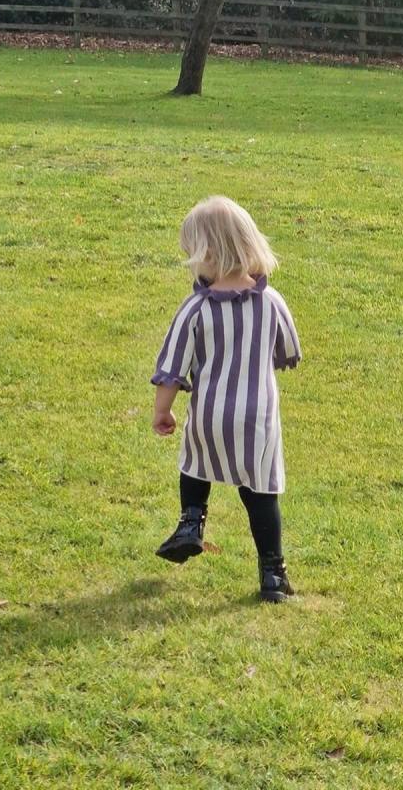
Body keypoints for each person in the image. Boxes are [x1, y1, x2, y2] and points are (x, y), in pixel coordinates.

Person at [150, 196, 302, 602]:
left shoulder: (196, 308)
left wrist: (162, 409)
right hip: (259, 420)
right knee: (261, 492)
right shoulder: (272, 303)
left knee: (194, 463)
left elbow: (172, 366)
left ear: (209, 254)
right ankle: (273, 573)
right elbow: (287, 351)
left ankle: (191, 523)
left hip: (209, 413)